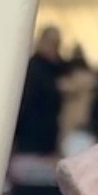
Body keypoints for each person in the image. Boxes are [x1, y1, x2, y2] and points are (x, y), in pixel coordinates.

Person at [15, 24, 64, 154]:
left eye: (57, 44)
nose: (54, 48)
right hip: (30, 135)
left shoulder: (57, 69)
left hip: (46, 137)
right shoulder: (33, 68)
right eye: (51, 43)